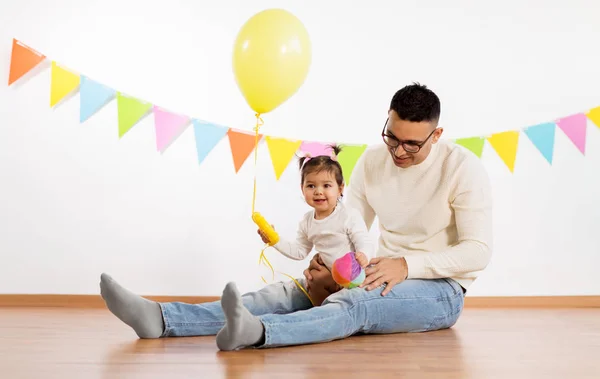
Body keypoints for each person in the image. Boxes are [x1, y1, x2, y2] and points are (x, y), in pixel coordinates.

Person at [99, 82, 493, 352]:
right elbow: (349, 222)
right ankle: (162, 319)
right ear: (387, 121)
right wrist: (331, 268)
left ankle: (259, 334)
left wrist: (407, 264)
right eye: (393, 136)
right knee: (285, 293)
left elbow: (478, 252)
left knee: (356, 305)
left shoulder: (463, 169)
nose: (399, 151)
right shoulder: (375, 159)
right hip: (376, 268)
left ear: (436, 135)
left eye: (412, 144)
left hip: (440, 290)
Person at [257, 144, 373, 305]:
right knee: (314, 279)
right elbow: (299, 251)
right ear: (302, 189)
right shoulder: (307, 221)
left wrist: (363, 255)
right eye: (311, 186)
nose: (318, 191)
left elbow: (364, 241)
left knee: (357, 293)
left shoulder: (348, 215)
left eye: (326, 185)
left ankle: (344, 310)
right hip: (329, 276)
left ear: (340, 188)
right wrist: (275, 240)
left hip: (353, 275)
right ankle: (319, 312)